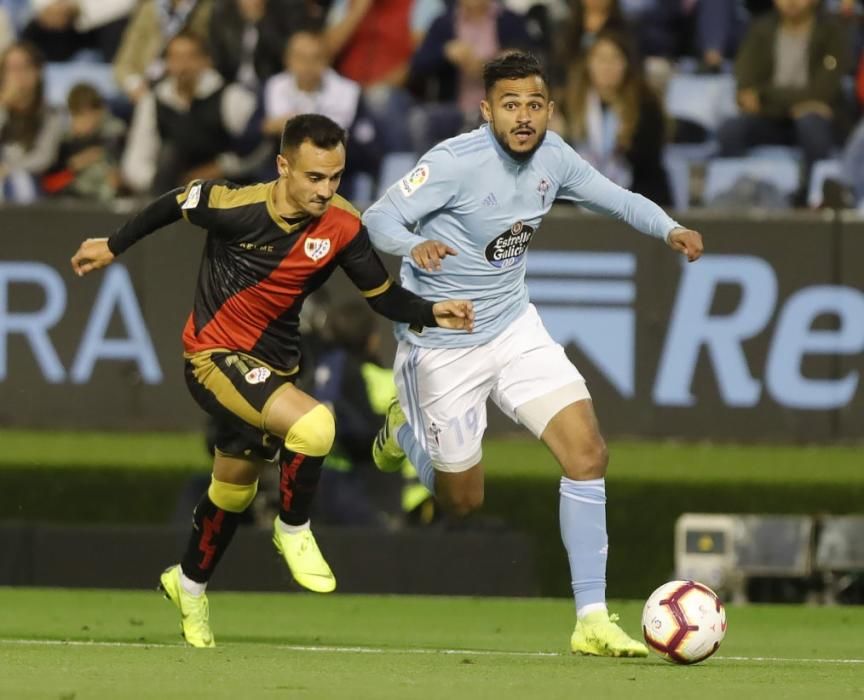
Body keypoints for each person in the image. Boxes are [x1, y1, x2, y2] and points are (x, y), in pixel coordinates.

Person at [70, 113, 474, 648]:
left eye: (336, 177)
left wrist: (431, 310)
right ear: (284, 166)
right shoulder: (235, 206)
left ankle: (188, 585)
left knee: (231, 493)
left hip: (276, 369)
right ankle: (294, 529)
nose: (326, 190)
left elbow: (382, 297)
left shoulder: (343, 226)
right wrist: (114, 245)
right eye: (314, 177)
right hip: (213, 357)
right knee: (315, 428)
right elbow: (174, 202)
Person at [364, 50, 703, 657]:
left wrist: (669, 228)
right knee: (462, 502)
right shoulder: (452, 162)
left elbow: (616, 198)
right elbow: (377, 218)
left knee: (588, 452)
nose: (524, 117)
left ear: (549, 108)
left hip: (514, 326)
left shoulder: (554, 156)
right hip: (442, 346)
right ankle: (402, 431)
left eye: (534, 105)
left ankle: (591, 618)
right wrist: (414, 246)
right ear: (486, 109)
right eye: (511, 105)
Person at [716, 0, 852, 203]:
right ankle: (735, 197)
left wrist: (763, 97)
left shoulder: (832, 30)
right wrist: (791, 102)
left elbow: (823, 91)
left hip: (815, 120)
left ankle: (810, 198)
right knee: (730, 129)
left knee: (811, 124)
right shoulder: (761, 28)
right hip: (769, 120)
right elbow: (744, 85)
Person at [120, 31, 262, 194]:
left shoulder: (232, 98)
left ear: (206, 60)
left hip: (228, 191)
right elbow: (135, 161)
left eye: (190, 57)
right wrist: (169, 185)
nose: (183, 66)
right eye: (176, 58)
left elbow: (256, 150)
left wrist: (222, 168)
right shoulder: (153, 102)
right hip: (172, 194)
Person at [560, 29, 671, 205]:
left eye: (615, 59)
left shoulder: (647, 106)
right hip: (577, 201)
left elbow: (649, 164)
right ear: (588, 63)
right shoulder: (567, 106)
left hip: (636, 199)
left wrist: (625, 141)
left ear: (626, 64)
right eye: (601, 59)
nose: (607, 66)